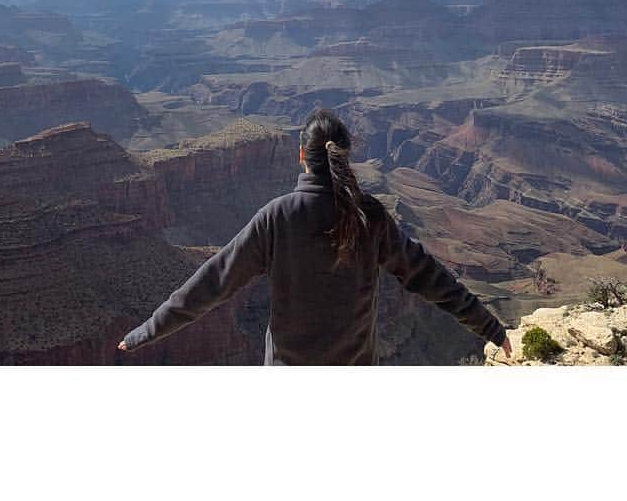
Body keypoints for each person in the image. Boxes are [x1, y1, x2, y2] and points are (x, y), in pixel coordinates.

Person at [118, 108, 512, 365]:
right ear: (344, 156)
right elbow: (428, 276)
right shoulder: (368, 215)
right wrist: (489, 327)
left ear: (302, 156)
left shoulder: (277, 217)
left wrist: (146, 332)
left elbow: (211, 284)